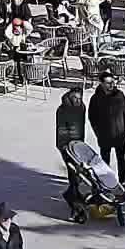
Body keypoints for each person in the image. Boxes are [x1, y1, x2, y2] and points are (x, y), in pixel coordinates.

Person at [87, 72, 125, 185]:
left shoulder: (119, 95)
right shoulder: (96, 99)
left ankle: (122, 182)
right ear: (101, 83)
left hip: (120, 135)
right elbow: (92, 117)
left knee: (121, 159)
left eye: (112, 82)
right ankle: (107, 183)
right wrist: (99, 133)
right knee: (105, 161)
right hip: (105, 136)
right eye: (108, 83)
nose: (111, 85)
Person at [55, 87, 88, 218]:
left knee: (78, 173)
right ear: (70, 96)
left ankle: (72, 192)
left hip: (78, 144)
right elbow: (61, 130)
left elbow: (82, 125)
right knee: (73, 173)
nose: (78, 100)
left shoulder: (82, 107)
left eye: (80, 98)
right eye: (75, 97)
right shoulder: (63, 110)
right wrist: (65, 147)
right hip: (66, 146)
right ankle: (74, 202)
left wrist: (80, 143)